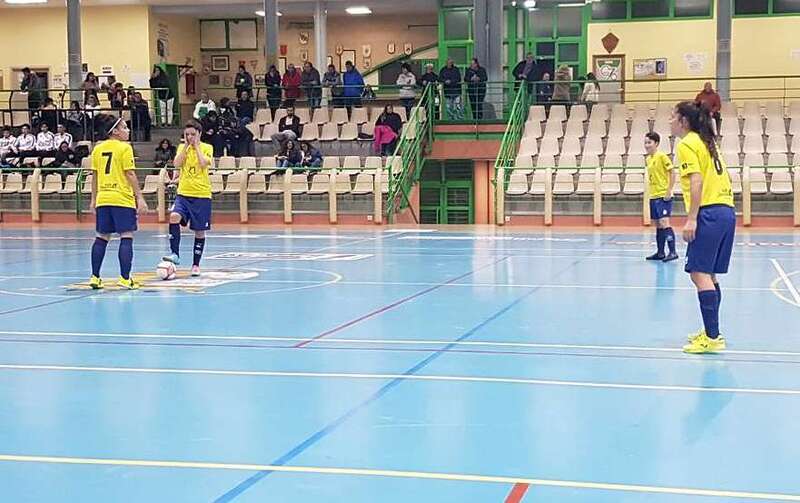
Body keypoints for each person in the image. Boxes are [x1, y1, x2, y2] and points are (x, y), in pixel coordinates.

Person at [671, 101, 735, 354]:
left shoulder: (687, 143)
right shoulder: (708, 142)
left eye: (673, 117)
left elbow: (696, 182)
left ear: (683, 121)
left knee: (698, 274)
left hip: (709, 212)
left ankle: (712, 337)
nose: (670, 121)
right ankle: (711, 331)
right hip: (726, 210)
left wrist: (692, 218)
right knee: (710, 275)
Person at [88, 113, 149, 290]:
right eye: (124, 127)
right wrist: (140, 197)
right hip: (121, 198)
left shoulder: (97, 149)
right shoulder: (124, 148)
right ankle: (125, 278)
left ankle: (95, 277)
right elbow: (130, 173)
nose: (127, 130)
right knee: (126, 235)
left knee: (101, 237)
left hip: (103, 198)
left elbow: (95, 176)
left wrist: (93, 199)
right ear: (114, 131)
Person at [162, 120, 213, 277]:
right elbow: (177, 163)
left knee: (199, 231)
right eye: (187, 134)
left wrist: (196, 147)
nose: (190, 137)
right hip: (184, 193)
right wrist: (185, 146)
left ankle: (196, 264)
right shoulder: (181, 148)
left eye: (193, 134)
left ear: (199, 134)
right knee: (174, 217)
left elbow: (203, 163)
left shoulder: (207, 148)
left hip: (201, 194)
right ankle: (175, 254)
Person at [644, 132, 678, 262]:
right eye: (645, 143)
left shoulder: (662, 156)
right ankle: (660, 252)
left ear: (656, 143)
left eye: (649, 142)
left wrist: (669, 190)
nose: (647, 145)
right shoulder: (648, 159)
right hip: (654, 195)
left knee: (664, 222)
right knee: (658, 224)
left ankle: (673, 251)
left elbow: (672, 172)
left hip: (663, 195)